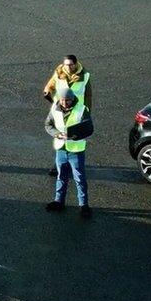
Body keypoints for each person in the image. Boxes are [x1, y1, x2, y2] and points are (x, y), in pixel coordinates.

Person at [44, 88, 93, 218]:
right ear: (59, 99)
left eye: (68, 100)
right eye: (63, 100)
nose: (65, 103)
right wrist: (57, 134)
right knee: (61, 176)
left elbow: (89, 128)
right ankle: (58, 201)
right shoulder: (55, 108)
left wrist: (74, 135)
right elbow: (48, 125)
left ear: (72, 99)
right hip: (61, 148)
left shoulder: (82, 109)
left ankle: (84, 205)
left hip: (76, 150)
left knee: (79, 178)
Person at [43, 55, 91, 175]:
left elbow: (88, 96)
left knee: (74, 136)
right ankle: (58, 165)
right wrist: (48, 92)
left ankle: (74, 161)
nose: (68, 67)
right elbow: (51, 85)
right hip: (60, 110)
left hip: (76, 111)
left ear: (76, 64)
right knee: (59, 135)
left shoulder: (84, 76)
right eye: (66, 64)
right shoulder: (59, 73)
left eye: (70, 64)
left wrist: (87, 111)